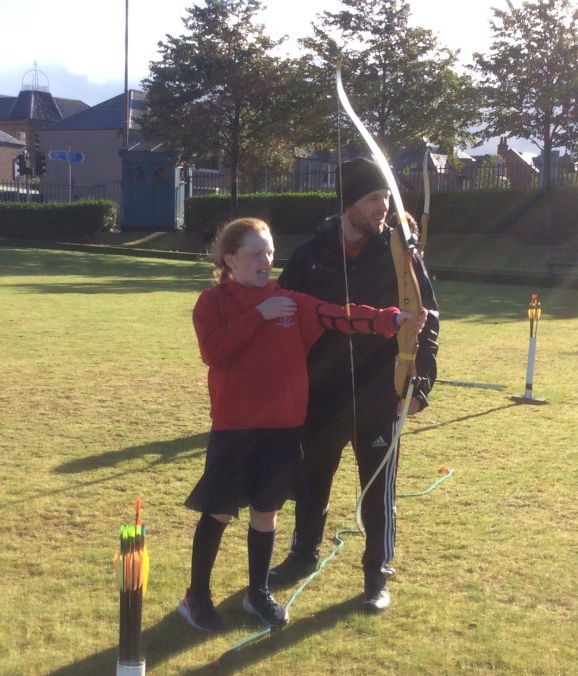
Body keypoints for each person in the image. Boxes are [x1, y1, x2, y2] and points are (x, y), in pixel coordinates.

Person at [179, 217, 426, 633]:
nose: (265, 261)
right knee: (219, 511)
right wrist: (260, 314)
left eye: (270, 252)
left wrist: (392, 319)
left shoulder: (289, 301)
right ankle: (196, 597)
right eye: (255, 254)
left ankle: (258, 593)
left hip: (282, 430)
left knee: (266, 511)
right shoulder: (213, 302)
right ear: (230, 259)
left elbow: (340, 316)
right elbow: (214, 352)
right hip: (236, 429)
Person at [268, 157, 440, 612]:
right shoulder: (311, 253)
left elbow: (427, 318)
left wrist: (419, 383)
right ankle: (303, 554)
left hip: (382, 390)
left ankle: (376, 573)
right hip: (322, 392)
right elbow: (285, 312)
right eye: (373, 198)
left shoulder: (401, 253)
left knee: (378, 488)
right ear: (349, 202)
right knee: (311, 479)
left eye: (386, 196)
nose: (383, 206)